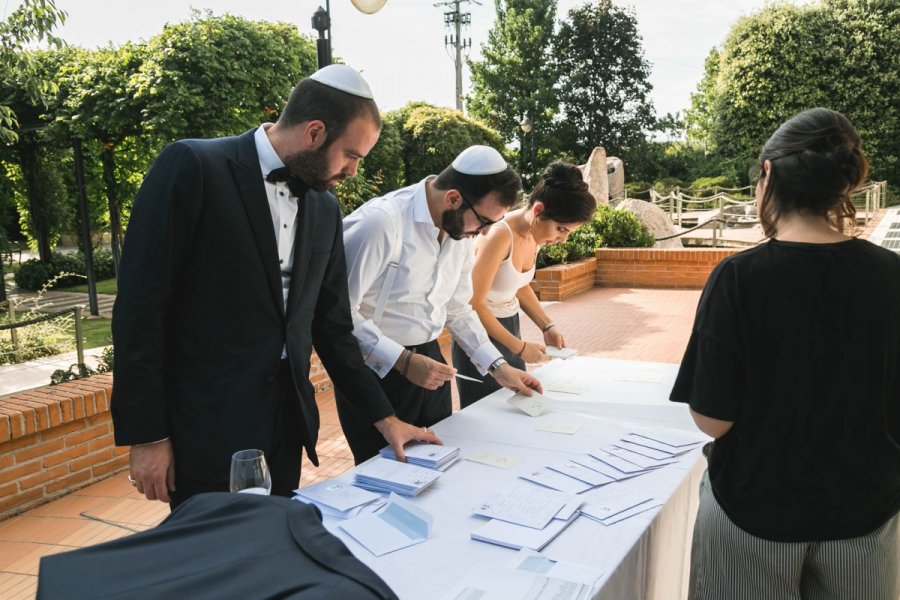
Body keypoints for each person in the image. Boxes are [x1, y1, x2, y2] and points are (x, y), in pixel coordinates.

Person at [112, 65, 439, 509]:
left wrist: (385, 417)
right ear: (315, 132)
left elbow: (333, 328)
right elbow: (139, 312)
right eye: (351, 155)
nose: (353, 171)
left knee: (271, 551)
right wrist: (148, 435)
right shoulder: (194, 167)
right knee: (214, 558)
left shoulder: (325, 208)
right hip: (204, 427)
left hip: (285, 426)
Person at [670, 107, 900, 599]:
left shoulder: (738, 278)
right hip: (865, 513)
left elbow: (713, 420)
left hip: (751, 512)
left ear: (769, 174)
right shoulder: (891, 275)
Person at [338, 145, 544, 463]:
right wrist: (403, 361)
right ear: (452, 199)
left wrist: (499, 367)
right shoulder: (380, 224)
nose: (486, 232)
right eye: (484, 221)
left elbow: (458, 307)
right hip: (374, 370)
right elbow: (339, 313)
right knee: (383, 476)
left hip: (431, 362)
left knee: (439, 465)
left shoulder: (460, 231)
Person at [453, 161, 596, 407]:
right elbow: (473, 304)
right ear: (538, 211)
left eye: (568, 232)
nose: (562, 239)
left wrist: (547, 325)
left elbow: (518, 284)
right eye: (561, 229)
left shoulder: (536, 234)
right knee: (487, 415)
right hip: (479, 336)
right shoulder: (499, 235)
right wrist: (519, 348)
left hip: (509, 328)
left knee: (517, 408)